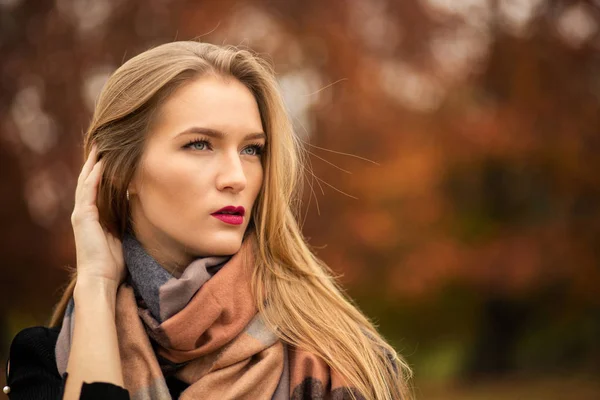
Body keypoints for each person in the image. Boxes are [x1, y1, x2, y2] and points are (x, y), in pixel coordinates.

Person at [4, 41, 413, 400]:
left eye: (252, 150)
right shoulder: (48, 362)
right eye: (200, 144)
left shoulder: (343, 360)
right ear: (118, 169)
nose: (236, 177)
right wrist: (96, 283)